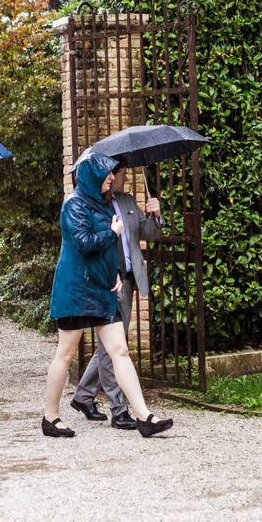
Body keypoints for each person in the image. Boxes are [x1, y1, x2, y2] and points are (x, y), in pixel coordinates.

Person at [43, 153, 172, 439]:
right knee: (64, 354)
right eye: (106, 174)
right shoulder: (73, 203)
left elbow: (103, 252)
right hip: (75, 289)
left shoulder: (100, 204)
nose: (112, 177)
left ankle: (144, 416)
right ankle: (50, 417)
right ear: (92, 177)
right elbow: (85, 243)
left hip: (102, 288)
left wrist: (113, 272)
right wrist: (114, 233)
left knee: (120, 351)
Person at [71, 162, 161, 429]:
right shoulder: (93, 205)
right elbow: (90, 243)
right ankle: (118, 409)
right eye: (120, 173)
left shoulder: (127, 199)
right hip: (109, 281)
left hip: (130, 280)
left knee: (111, 347)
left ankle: (83, 396)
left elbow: (146, 234)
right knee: (114, 349)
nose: (120, 177)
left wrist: (156, 216)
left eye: (118, 173)